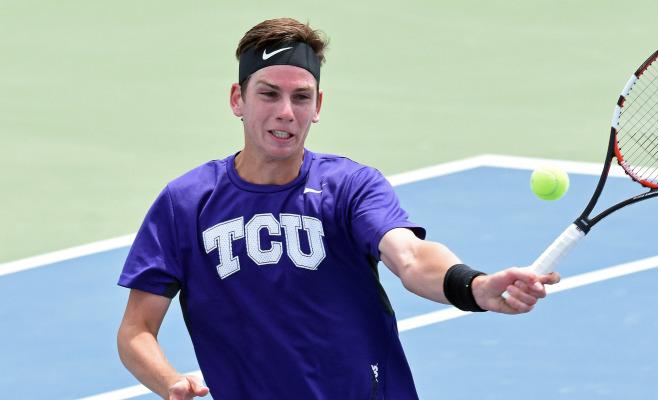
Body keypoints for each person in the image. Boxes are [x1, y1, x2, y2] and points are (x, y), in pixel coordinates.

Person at [116, 17, 560, 400]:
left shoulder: (349, 187)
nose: (286, 112)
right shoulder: (187, 203)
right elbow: (137, 329)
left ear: (319, 105)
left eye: (301, 97)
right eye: (269, 94)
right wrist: (169, 382)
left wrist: (473, 286)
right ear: (238, 99)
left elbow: (409, 256)